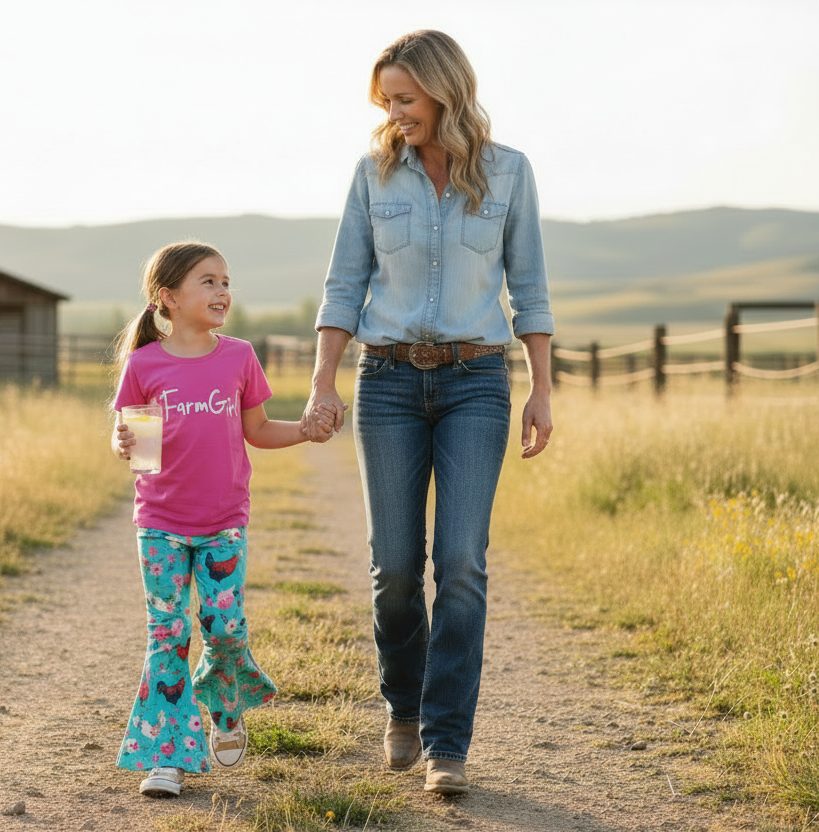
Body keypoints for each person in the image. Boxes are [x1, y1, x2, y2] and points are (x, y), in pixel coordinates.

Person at [302, 30, 554, 795]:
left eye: (404, 99)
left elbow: (530, 288)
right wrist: (322, 381)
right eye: (387, 102)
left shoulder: (510, 172)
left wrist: (542, 388)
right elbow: (343, 284)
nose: (394, 114)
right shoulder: (372, 175)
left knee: (463, 564)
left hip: (478, 381)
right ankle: (403, 710)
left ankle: (448, 743)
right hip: (388, 383)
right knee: (396, 570)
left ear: (445, 90)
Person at [111, 241, 336, 798]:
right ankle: (166, 757)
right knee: (167, 635)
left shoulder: (238, 357)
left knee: (224, 627)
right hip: (160, 522)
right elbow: (137, 450)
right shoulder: (144, 365)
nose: (222, 292)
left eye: (225, 282)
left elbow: (257, 430)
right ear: (168, 297)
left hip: (223, 524)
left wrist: (305, 430)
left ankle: (225, 705)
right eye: (208, 282)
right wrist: (121, 442)